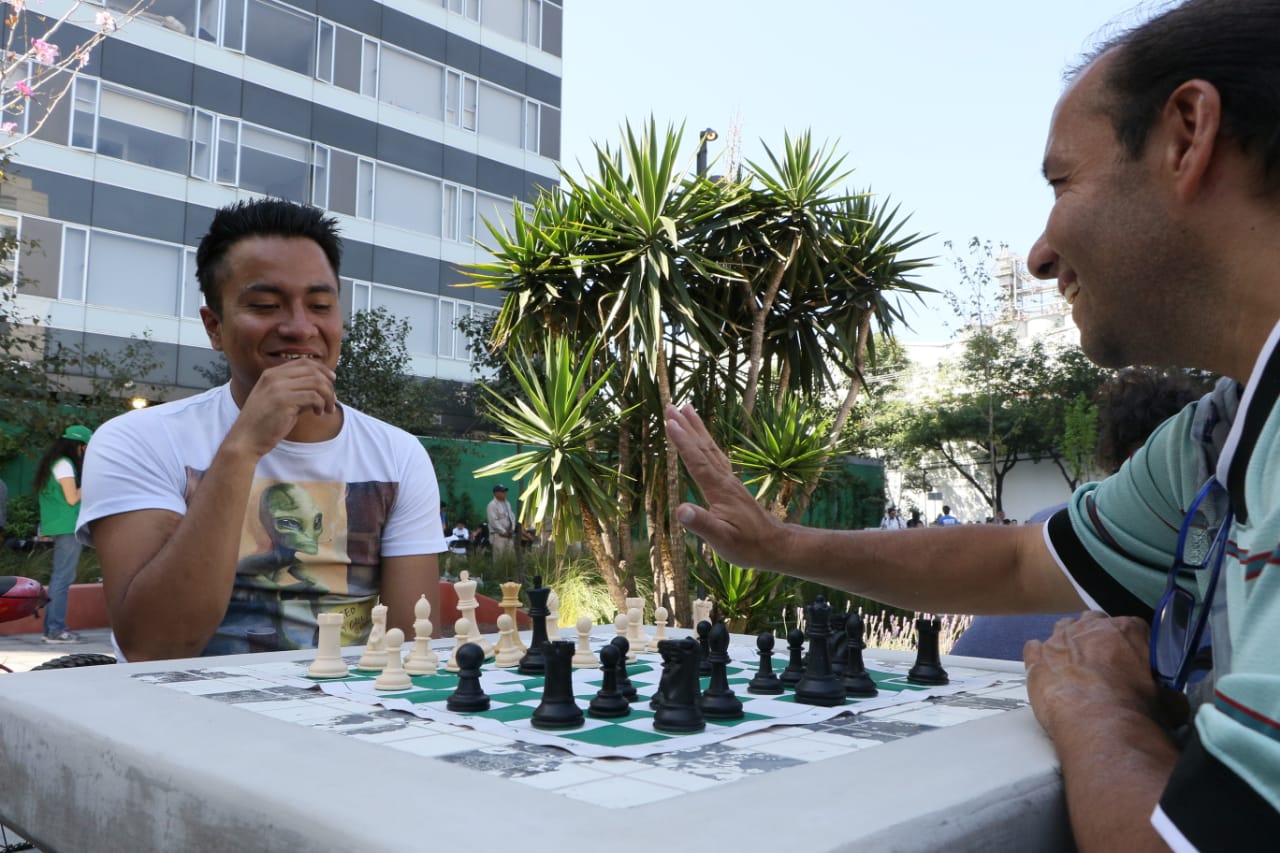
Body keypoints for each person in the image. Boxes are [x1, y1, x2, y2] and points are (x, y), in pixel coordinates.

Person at [667, 3, 1280, 847]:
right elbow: (1021, 559)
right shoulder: (1221, 433)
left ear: (1186, 134)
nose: (1039, 253)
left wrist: (1094, 705)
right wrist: (780, 545)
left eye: (1062, 183)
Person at [78, 198, 447, 661]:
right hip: (180, 703)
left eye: (320, 305)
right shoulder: (137, 441)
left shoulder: (398, 455)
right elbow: (153, 647)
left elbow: (412, 647)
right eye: (266, 305)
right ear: (214, 326)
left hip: (349, 699)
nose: (300, 327)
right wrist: (242, 447)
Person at [34, 425, 92, 644]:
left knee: (61, 577)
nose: (85, 452)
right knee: (62, 578)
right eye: (85, 448)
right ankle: (55, 630)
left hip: (61, 524)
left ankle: (53, 629)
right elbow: (72, 498)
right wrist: (92, 481)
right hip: (67, 526)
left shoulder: (55, 463)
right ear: (78, 446)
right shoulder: (65, 464)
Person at [486, 484, 516, 557]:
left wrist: (512, 528)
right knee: (499, 558)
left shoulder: (507, 503)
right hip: (498, 536)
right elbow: (493, 521)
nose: (504, 493)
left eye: (505, 491)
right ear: (496, 493)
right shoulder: (492, 505)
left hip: (509, 535)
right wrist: (503, 531)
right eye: (502, 491)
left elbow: (512, 516)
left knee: (511, 557)